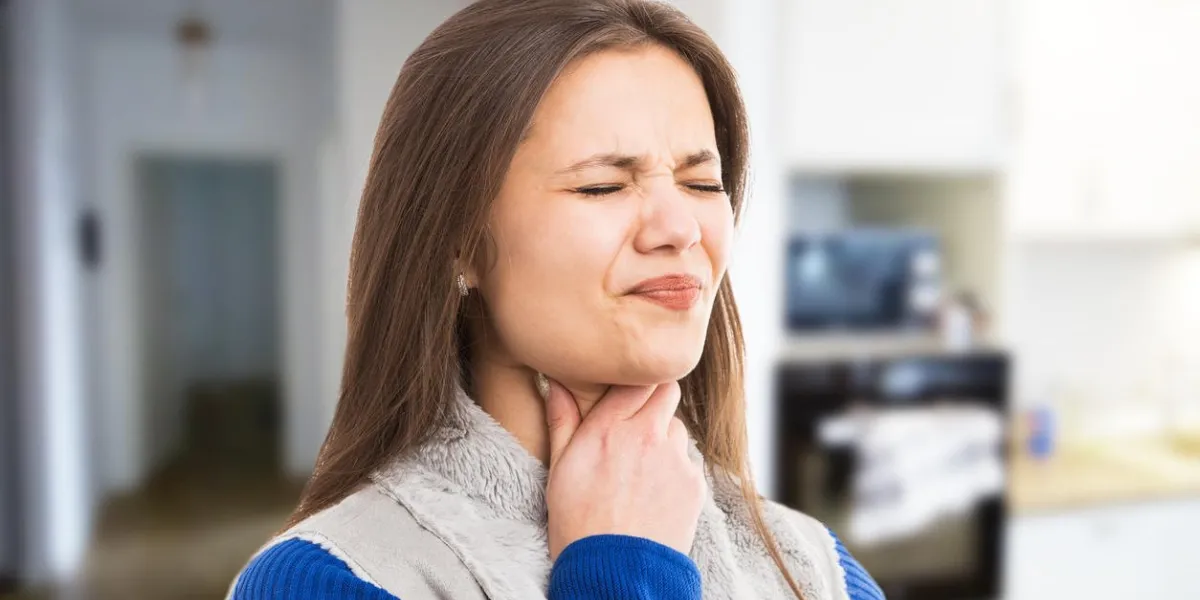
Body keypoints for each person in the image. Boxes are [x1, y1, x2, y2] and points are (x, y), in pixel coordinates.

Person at [228, 0, 884, 598]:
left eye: (702, 183)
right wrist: (622, 569)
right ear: (458, 241)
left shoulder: (815, 565)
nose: (681, 228)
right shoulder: (329, 579)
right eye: (602, 186)